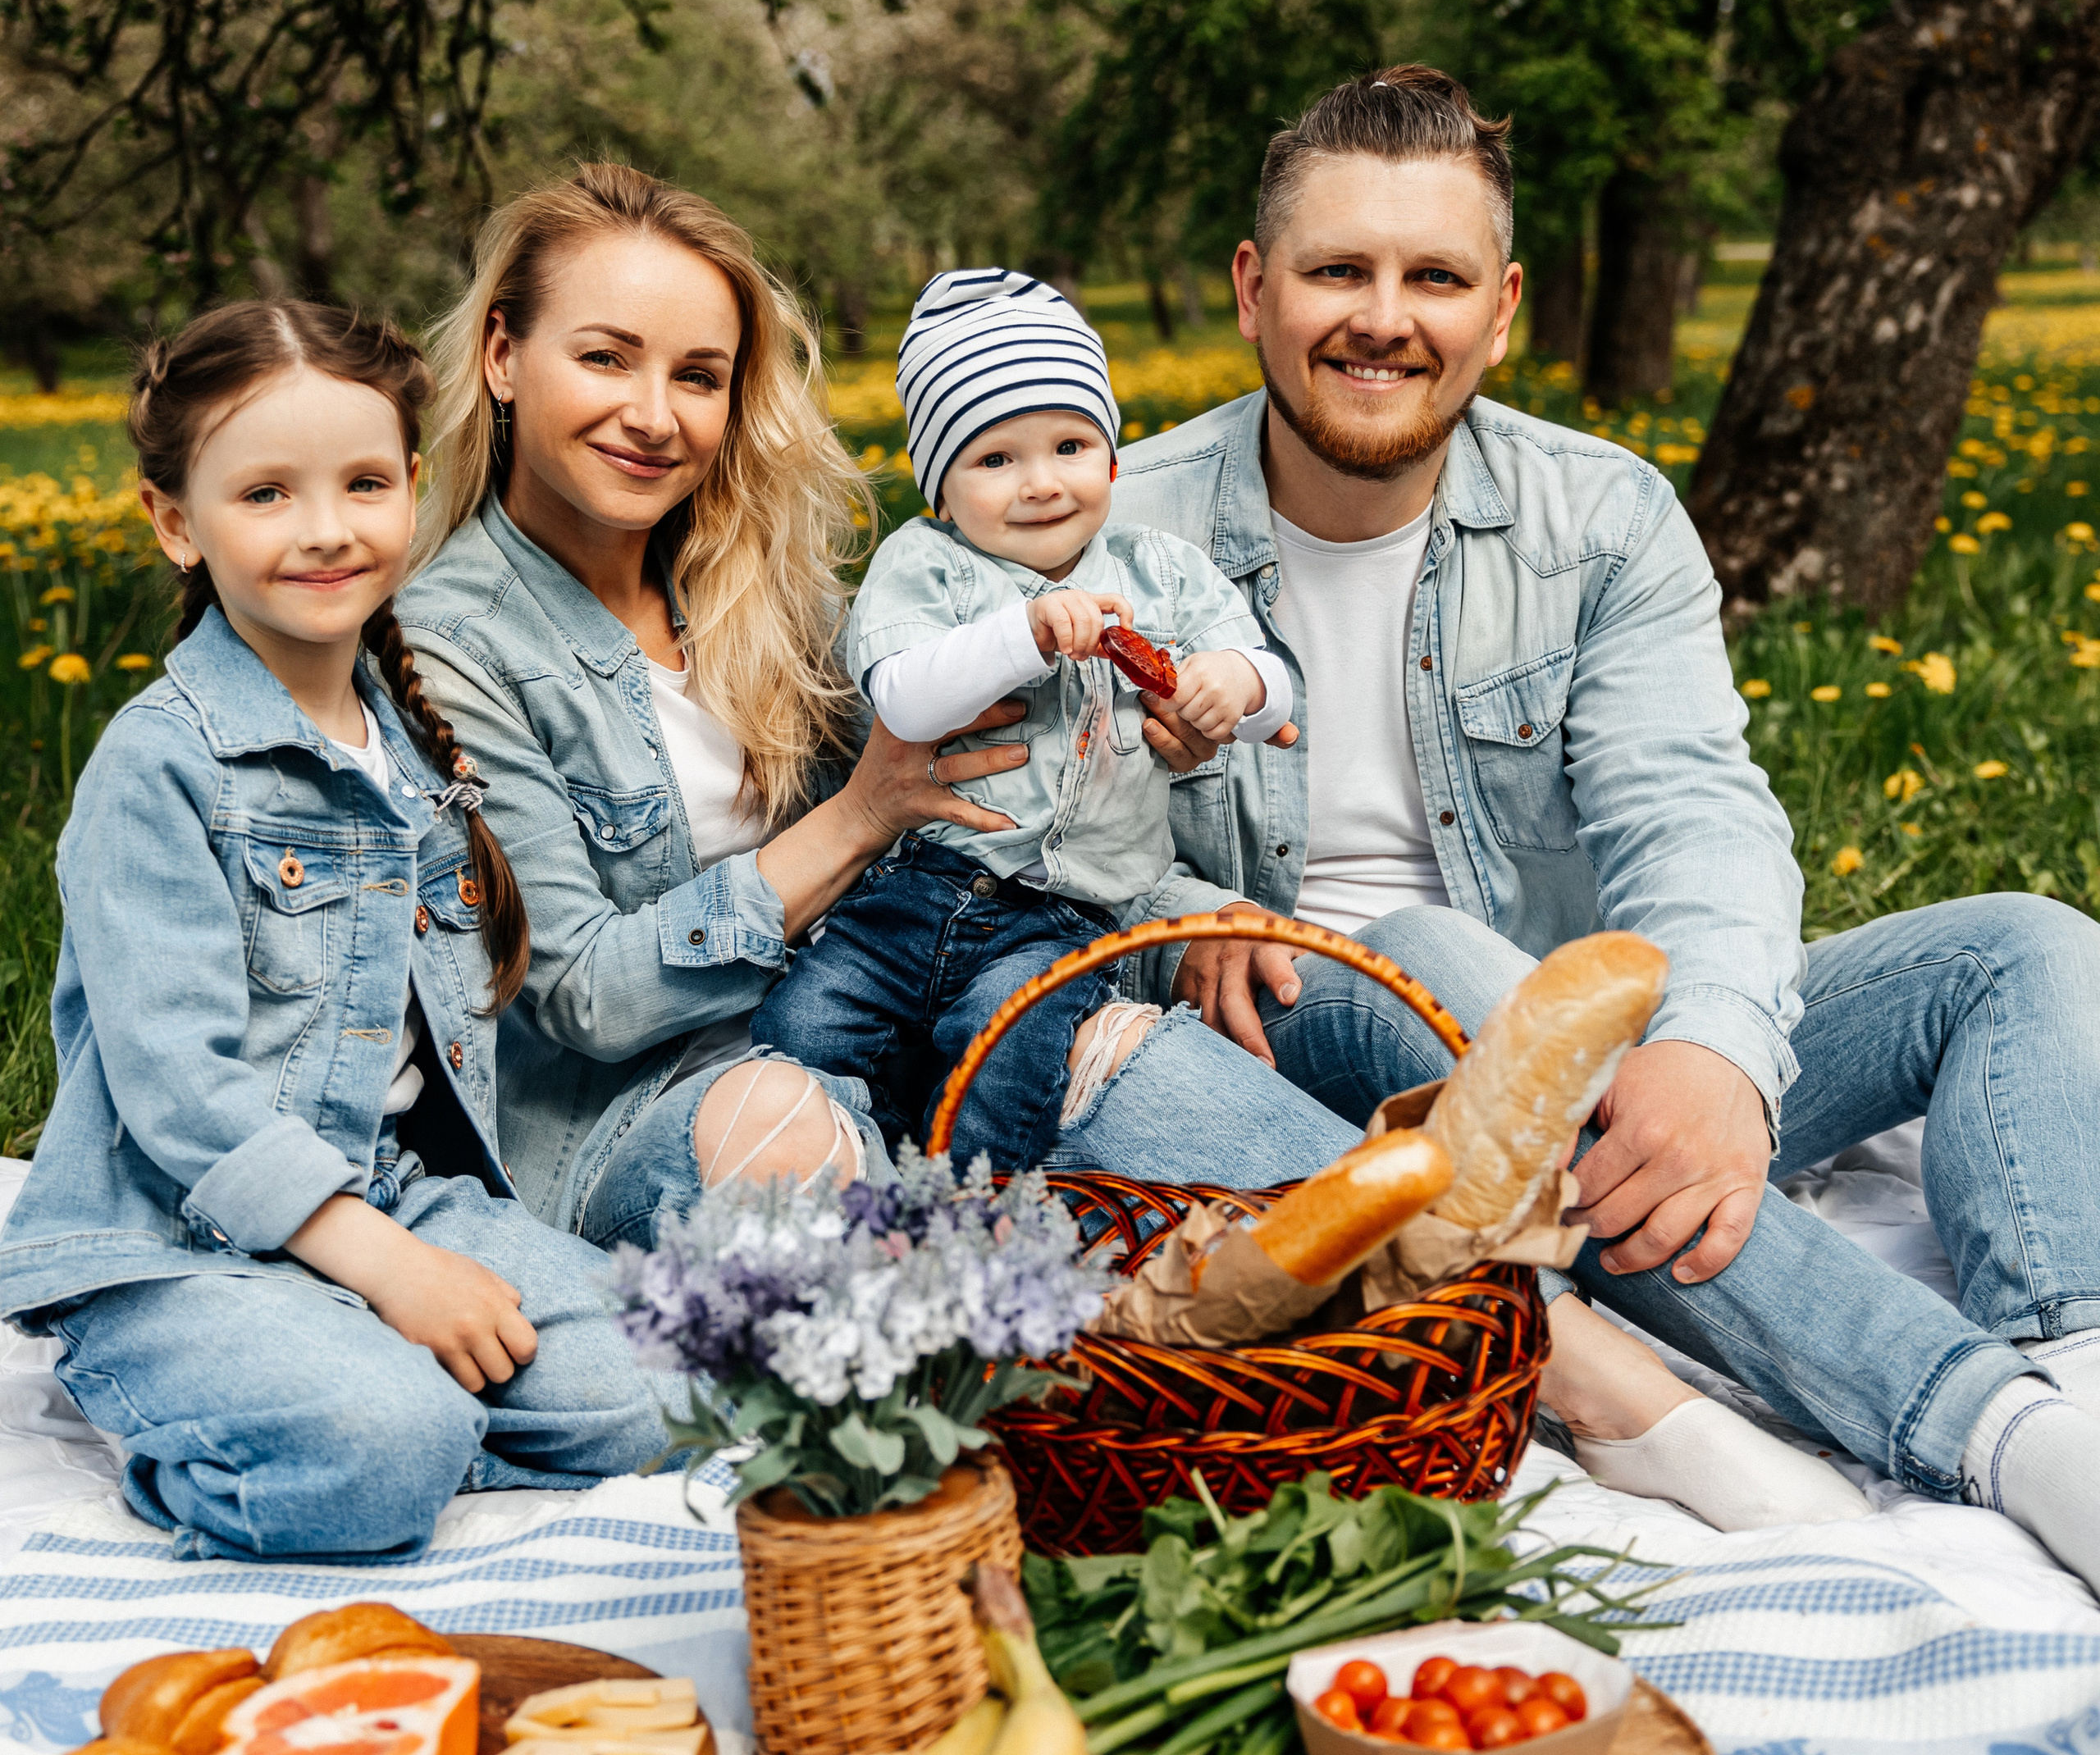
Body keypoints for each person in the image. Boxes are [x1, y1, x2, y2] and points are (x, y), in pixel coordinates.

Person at [1115, 63, 2100, 1577]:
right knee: (1429, 948)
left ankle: (2079, 1378)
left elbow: (1693, 809)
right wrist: (1168, 926)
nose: (1386, 315)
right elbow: (1027, 871)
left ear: (1499, 310)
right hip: (1311, 1078)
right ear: (1256, 289)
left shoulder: (1605, 514)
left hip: (1585, 1058)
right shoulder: (1111, 528)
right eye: (1338, 271)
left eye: (1433, 276)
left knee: (2020, 947)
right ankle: (1979, 1427)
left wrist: (1711, 1054)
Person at [398, 167, 1356, 1257]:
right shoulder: (448, 646)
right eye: (605, 357)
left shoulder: (766, 591)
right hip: (658, 1112)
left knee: (1268, 1018)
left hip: (912, 1010)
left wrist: (1180, 919)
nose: (654, 415)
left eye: (699, 376)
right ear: (503, 356)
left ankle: (1513, 1326)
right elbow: (588, 1000)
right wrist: (858, 819)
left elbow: (989, 825)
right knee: (794, 1130)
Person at [0, 304, 663, 1561]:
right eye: (264, 493)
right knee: (378, 1452)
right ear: (175, 523)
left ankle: (351, 1385)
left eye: (363, 483)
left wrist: (408, 1249)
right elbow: (177, 1089)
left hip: (394, 1190)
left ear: (411, 489)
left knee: (651, 1384)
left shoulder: (405, 735)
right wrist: (376, 1266)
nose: (324, 529)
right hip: (174, 1239)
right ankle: (268, 1423)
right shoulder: (162, 768)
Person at [757, 267, 1295, 1167]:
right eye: (995, 459)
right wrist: (1023, 636)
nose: (1041, 482)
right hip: (917, 888)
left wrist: (1233, 684)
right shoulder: (925, 565)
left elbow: (1275, 688)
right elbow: (901, 694)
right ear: (940, 489)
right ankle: (838, 1175)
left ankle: (966, 1216)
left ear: (1114, 460)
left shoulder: (1158, 571)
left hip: (1068, 916)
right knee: (804, 1021)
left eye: (1071, 446)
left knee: (1007, 1045)